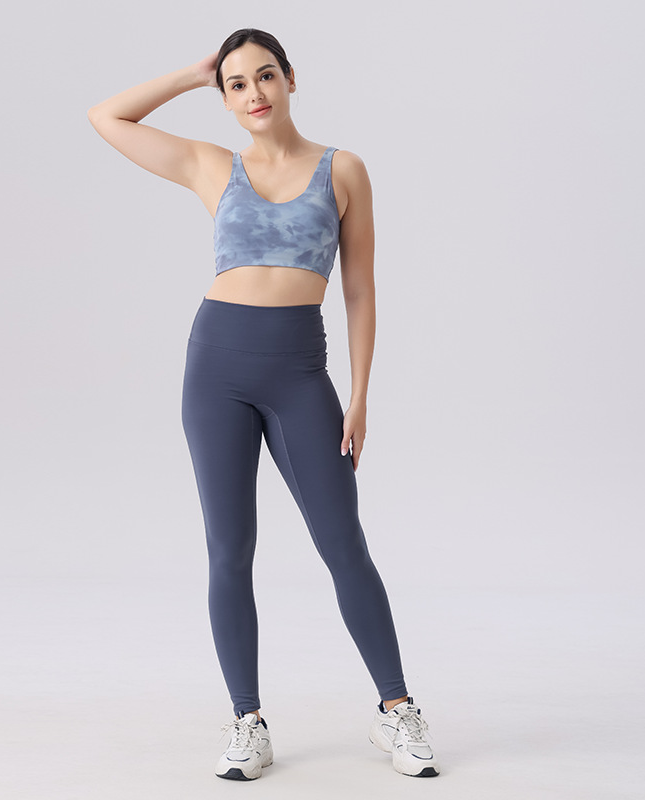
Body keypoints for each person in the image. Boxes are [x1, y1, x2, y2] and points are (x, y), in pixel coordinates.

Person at [87, 28, 439, 781]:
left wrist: (360, 394)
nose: (255, 93)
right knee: (229, 550)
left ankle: (397, 710)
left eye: (266, 75)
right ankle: (248, 721)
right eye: (238, 84)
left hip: (299, 372)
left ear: (290, 79)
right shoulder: (212, 165)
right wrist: (193, 74)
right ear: (225, 97)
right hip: (215, 369)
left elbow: (360, 288)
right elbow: (106, 117)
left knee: (343, 544)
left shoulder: (343, 169)